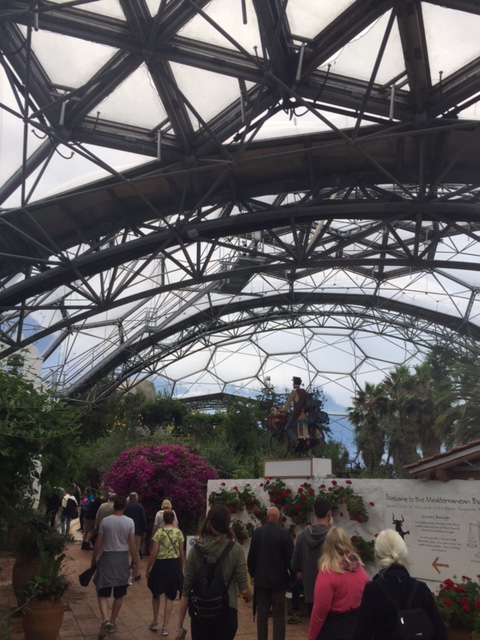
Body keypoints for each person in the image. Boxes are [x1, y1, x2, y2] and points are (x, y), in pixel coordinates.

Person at [352, 529, 448, 640]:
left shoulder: (373, 590)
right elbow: (440, 632)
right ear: (404, 552)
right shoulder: (420, 588)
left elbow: (362, 633)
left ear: (378, 555)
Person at [176, 505, 251, 640]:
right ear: (227, 523)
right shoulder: (236, 549)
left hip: (200, 612)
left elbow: (186, 588)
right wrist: (249, 597)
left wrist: (180, 624)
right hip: (226, 611)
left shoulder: (195, 550)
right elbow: (244, 588)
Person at [307, 527, 369, 640]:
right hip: (356, 627)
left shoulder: (327, 573)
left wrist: (311, 637)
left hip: (334, 629)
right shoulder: (358, 568)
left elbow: (319, 614)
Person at [91, 495, 137, 639]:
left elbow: (98, 541)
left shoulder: (106, 521)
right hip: (122, 559)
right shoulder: (129, 522)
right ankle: (112, 621)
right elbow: (132, 543)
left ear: (114, 506)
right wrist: (134, 560)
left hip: (107, 557)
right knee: (119, 592)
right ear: (124, 507)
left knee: (102, 591)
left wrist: (94, 558)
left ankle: (104, 619)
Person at [247, 506, 294, 640]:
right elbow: (290, 560)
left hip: (261, 581)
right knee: (278, 615)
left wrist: (253, 575)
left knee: (262, 614)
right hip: (279, 582)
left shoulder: (258, 533)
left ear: (267, 517)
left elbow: (251, 557)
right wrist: (292, 579)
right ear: (277, 519)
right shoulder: (284, 534)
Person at [290, 497, 332, 623]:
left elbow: (294, 564)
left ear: (314, 513)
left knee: (314, 626)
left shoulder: (303, 535)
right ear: (329, 514)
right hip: (330, 591)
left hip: (310, 591)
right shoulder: (333, 536)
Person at [146, 509, 185, 635]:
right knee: (170, 595)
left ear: (163, 520)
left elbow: (154, 552)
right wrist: (181, 566)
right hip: (173, 564)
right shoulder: (178, 533)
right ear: (173, 519)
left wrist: (148, 567)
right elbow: (181, 552)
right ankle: (165, 626)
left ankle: (155, 621)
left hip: (160, 565)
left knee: (156, 593)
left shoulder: (159, 533)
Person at [124, 492, 147, 581]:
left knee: (126, 551)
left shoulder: (125, 506)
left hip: (126, 531)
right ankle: (136, 573)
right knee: (136, 551)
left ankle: (125, 571)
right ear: (136, 499)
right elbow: (143, 519)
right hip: (136, 532)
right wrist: (144, 530)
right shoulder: (139, 507)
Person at [281, 376, 308, 449]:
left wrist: (284, 410)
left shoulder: (294, 391)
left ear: (294, 383)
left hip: (297, 414)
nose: (292, 384)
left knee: (287, 428)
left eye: (293, 382)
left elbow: (288, 403)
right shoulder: (304, 391)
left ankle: (296, 441)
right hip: (304, 414)